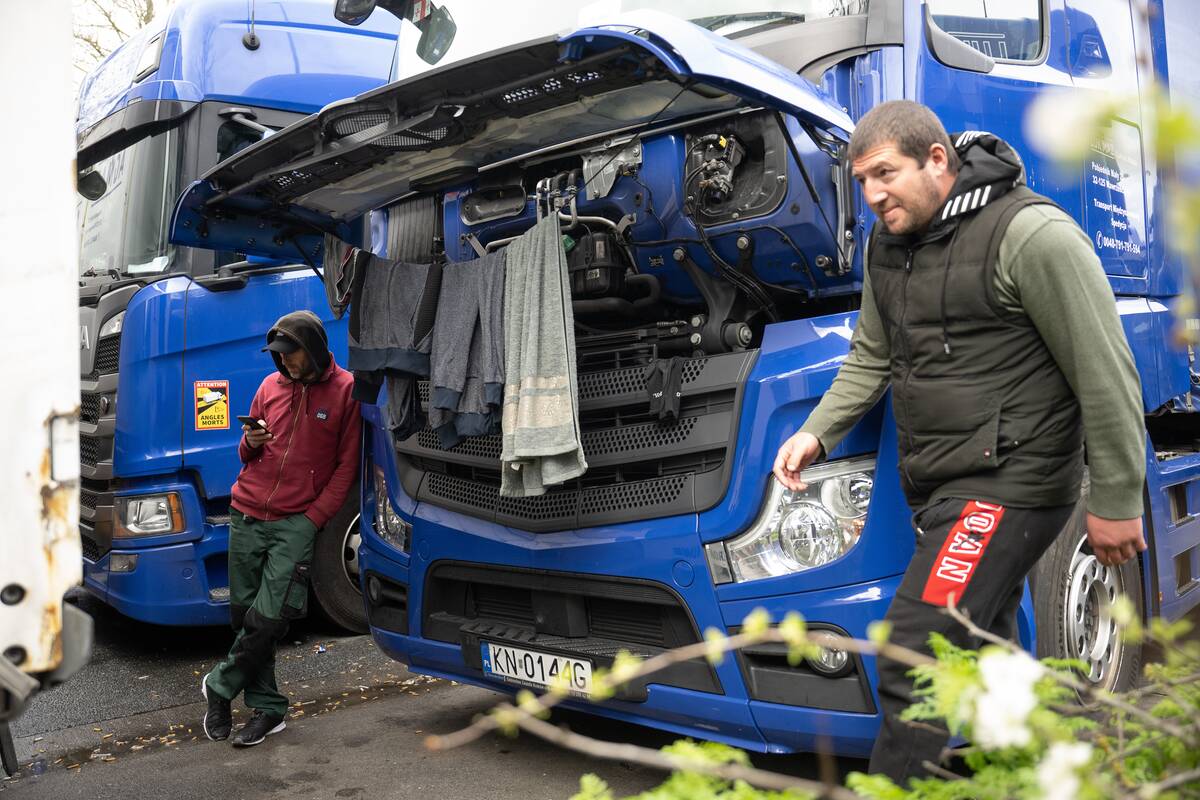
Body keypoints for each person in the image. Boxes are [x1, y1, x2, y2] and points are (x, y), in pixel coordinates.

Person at [772, 101, 1147, 783]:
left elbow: (1104, 368)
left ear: (937, 160)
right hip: (944, 487)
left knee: (915, 654)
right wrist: (814, 434)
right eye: (861, 181)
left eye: (885, 173)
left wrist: (1118, 497)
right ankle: (1046, 781)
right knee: (991, 658)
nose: (872, 194)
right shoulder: (889, 247)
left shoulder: (1030, 234)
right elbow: (870, 358)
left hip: (1013, 479)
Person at [202, 310, 361, 747]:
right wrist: (248, 443)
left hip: (296, 521)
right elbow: (246, 455)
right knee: (246, 619)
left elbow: (347, 470)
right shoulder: (269, 387)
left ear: (312, 348)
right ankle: (268, 710)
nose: (285, 363)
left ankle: (219, 686)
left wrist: (312, 521)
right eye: (279, 356)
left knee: (270, 619)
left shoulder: (346, 391)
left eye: (291, 355)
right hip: (247, 511)